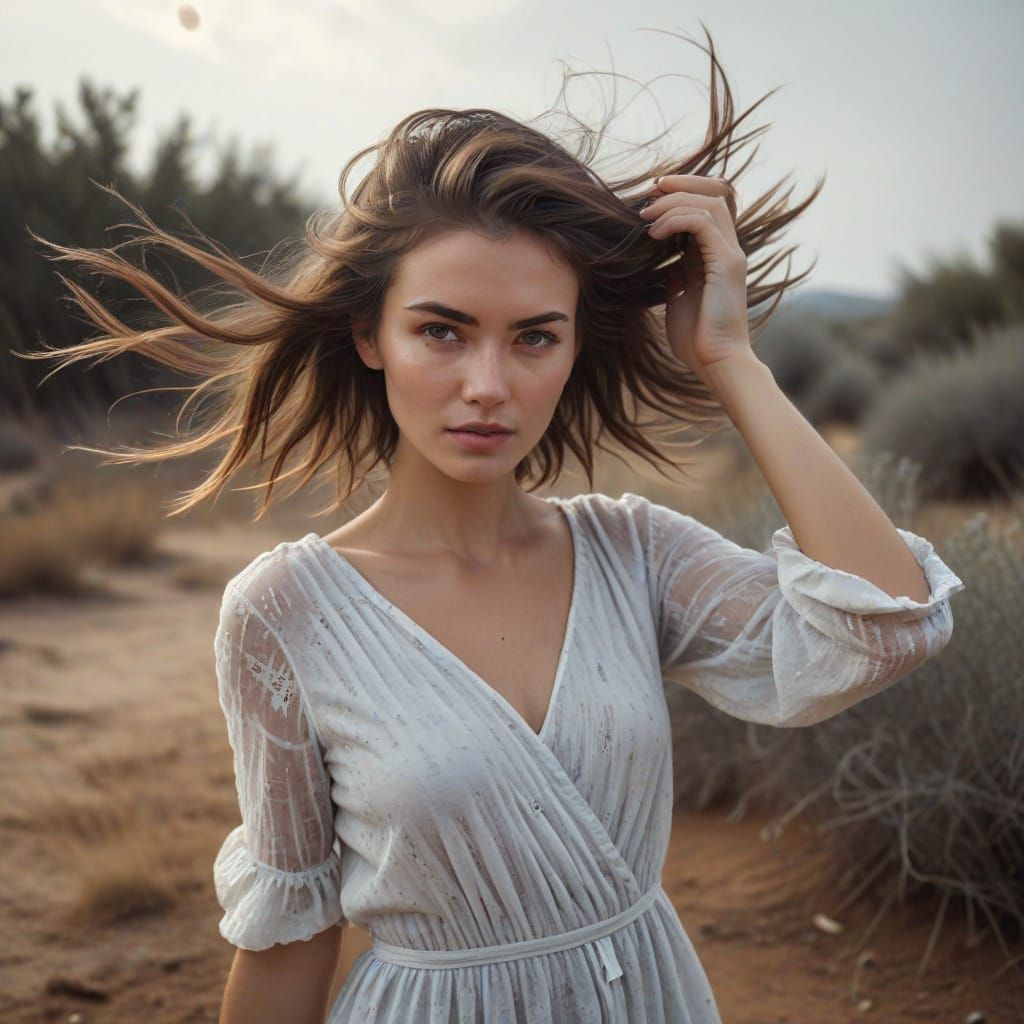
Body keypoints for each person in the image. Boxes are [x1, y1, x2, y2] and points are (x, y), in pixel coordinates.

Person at [20, 27, 965, 1024]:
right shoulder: (282, 613)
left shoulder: (632, 553)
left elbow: (888, 624)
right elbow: (292, 934)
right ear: (367, 334)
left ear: (571, 346)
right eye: (441, 329)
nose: (487, 386)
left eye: (532, 338)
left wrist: (730, 357)